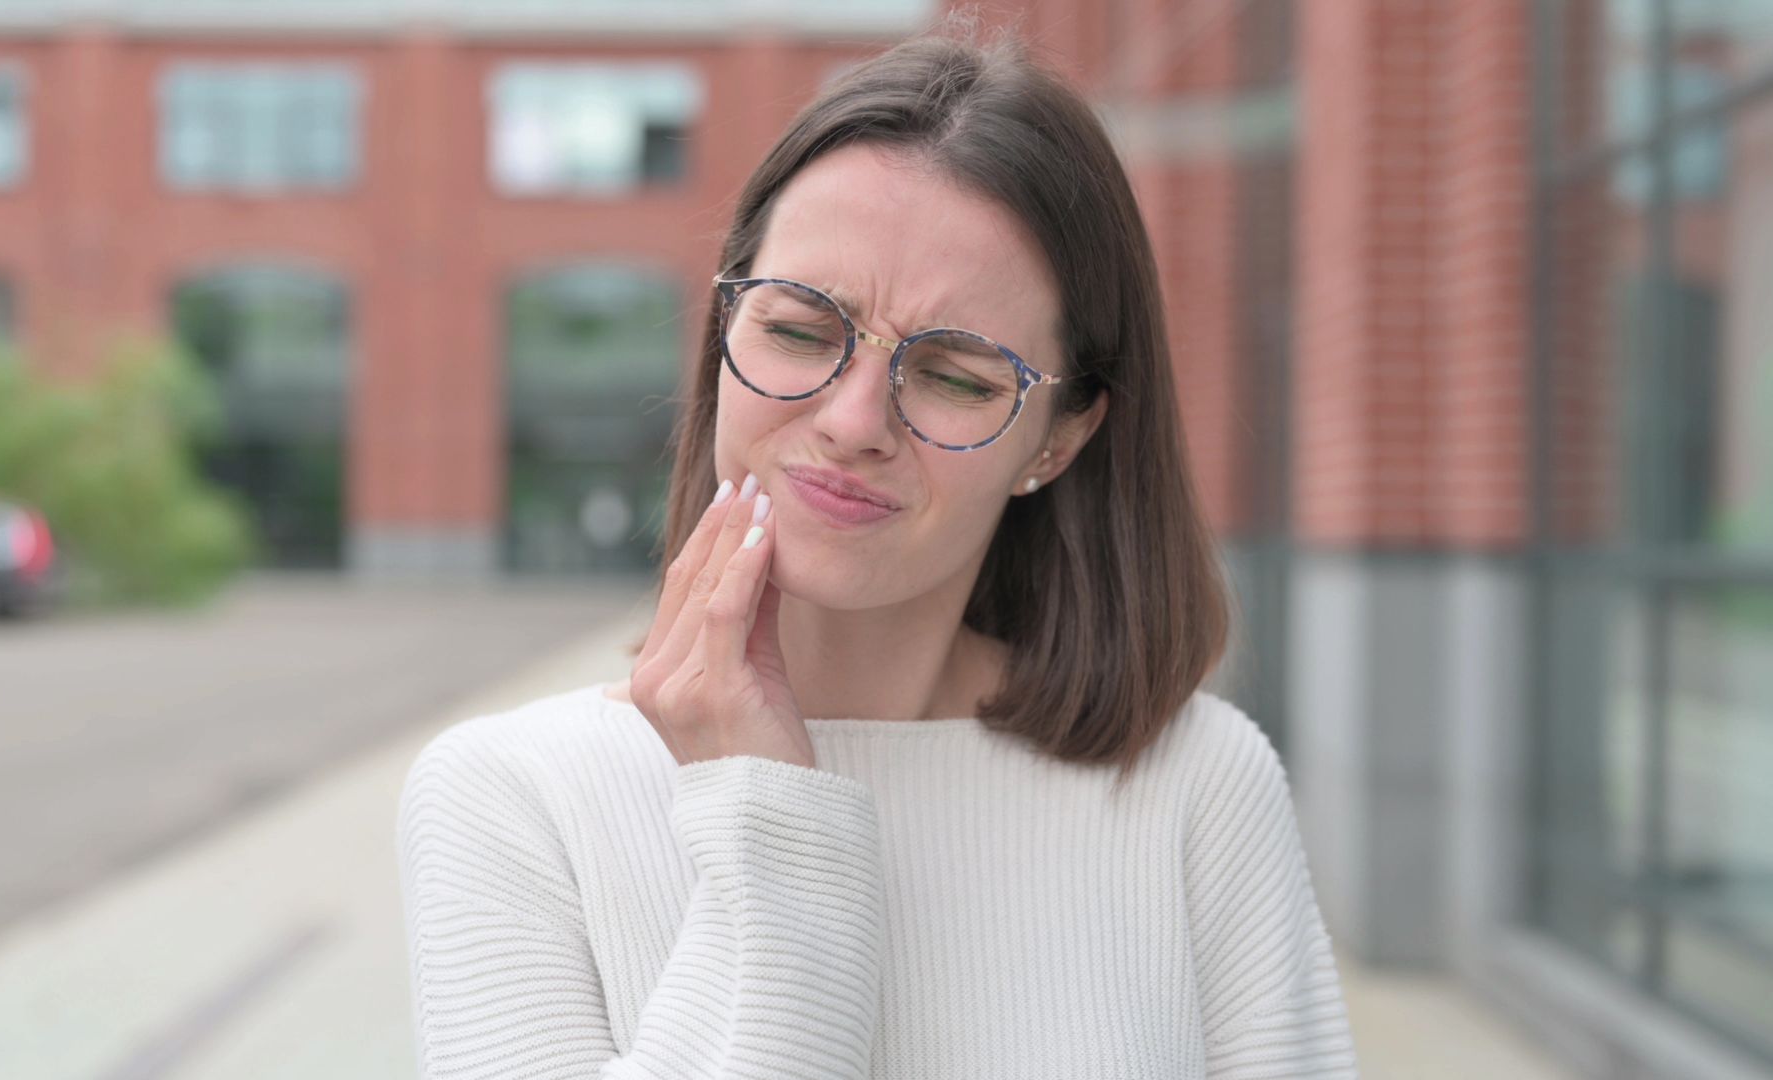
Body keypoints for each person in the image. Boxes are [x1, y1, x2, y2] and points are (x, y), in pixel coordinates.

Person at [397, 14, 1359, 1079]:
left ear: (1060, 436)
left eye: (956, 375)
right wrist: (769, 817)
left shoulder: (1193, 784)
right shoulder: (512, 797)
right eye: (801, 329)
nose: (855, 421)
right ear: (722, 338)